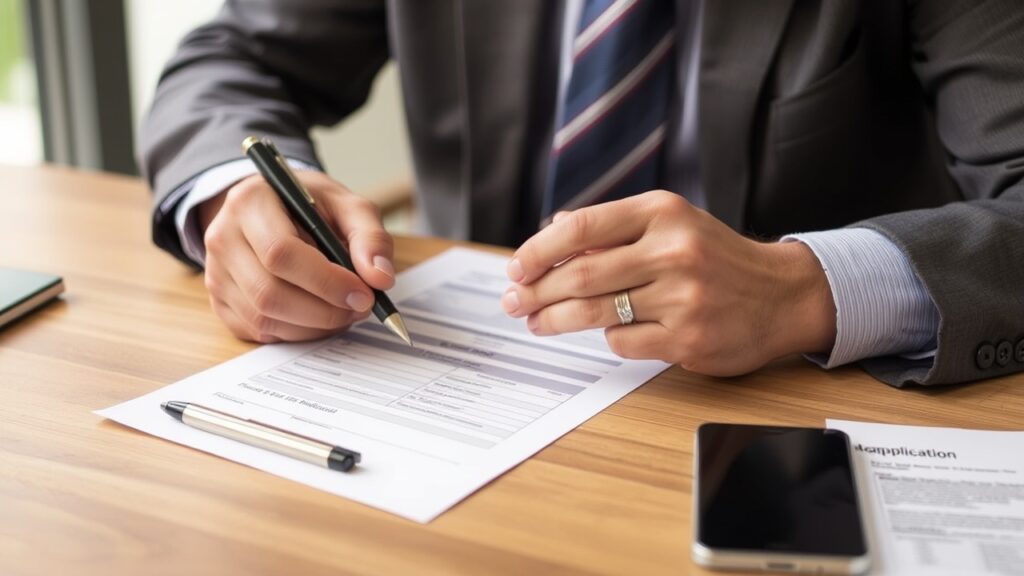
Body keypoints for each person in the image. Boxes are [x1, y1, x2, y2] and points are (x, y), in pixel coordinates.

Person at [140, 0, 1024, 388]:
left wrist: (810, 287)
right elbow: (233, 59)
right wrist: (235, 196)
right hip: (479, 391)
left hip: (785, 416)